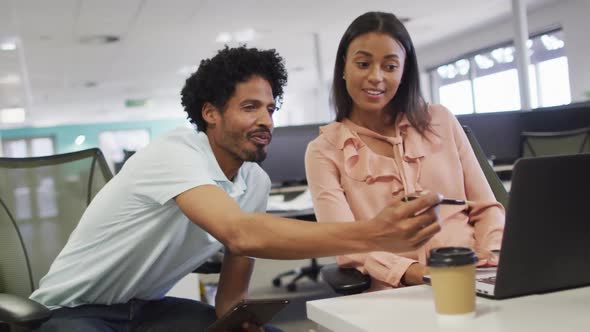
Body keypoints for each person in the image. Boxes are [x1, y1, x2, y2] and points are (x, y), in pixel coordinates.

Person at [30, 46, 443, 332]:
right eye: (250, 108)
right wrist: (374, 233)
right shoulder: (174, 153)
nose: (266, 120)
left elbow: (231, 294)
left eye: (270, 108)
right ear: (210, 113)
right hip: (71, 312)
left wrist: (237, 321)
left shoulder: (254, 183)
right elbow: (239, 233)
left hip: (146, 313)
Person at [305, 12, 505, 291]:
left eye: (390, 66)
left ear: (403, 72)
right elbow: (346, 244)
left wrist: (493, 255)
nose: (376, 77)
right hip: (394, 289)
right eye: (363, 64)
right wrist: (418, 273)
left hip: (474, 274)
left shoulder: (440, 121)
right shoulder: (324, 151)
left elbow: (486, 207)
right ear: (343, 67)